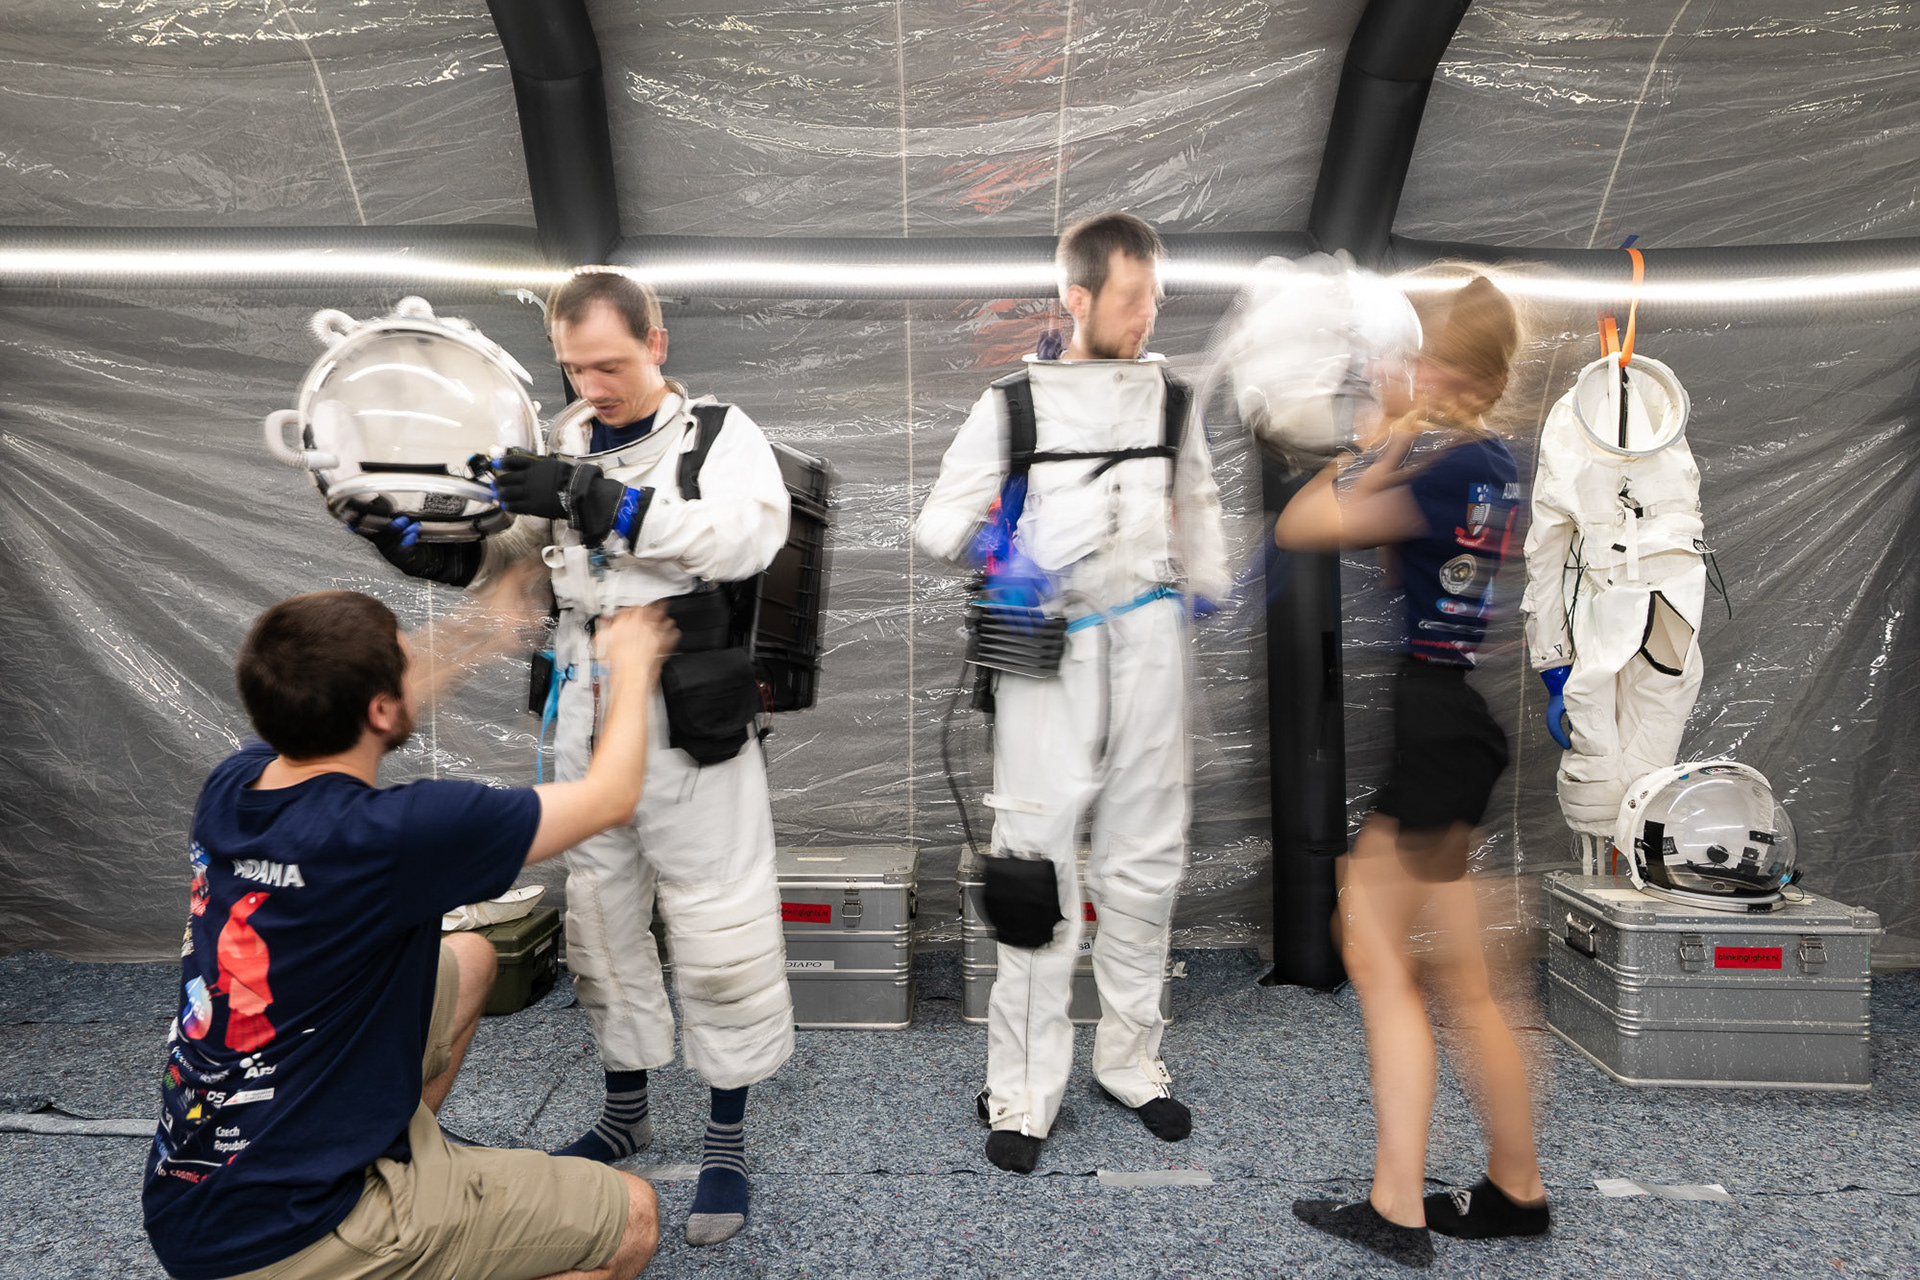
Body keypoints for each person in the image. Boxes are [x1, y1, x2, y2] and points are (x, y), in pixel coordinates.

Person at [361, 269, 794, 1247]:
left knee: (717, 918)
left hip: (687, 711)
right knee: (599, 915)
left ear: (656, 343)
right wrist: (419, 542)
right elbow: (508, 556)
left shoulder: (717, 436)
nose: (593, 384)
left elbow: (743, 539)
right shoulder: (558, 443)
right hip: (582, 703)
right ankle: (625, 1109)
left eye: (611, 363)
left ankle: (725, 1139)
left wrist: (603, 500)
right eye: (575, 367)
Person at [142, 590, 673, 1280]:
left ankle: (405, 1171)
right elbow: (612, 796)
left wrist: (484, 629)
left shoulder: (234, 787)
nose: (419, 663)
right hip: (293, 1232)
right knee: (632, 1216)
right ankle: (388, 1242)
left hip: (188, 1198)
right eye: (406, 659)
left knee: (471, 959)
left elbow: (357, 693)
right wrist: (633, 663)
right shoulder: (396, 834)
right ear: (381, 709)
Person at [914, 211, 1229, 1174]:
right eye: (1131, 298)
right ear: (1078, 298)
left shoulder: (1173, 401)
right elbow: (936, 525)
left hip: (1151, 641)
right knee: (1033, 870)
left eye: (1155, 298)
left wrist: (1206, 579)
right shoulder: (1014, 405)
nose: (1146, 315)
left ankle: (1131, 1062)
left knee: (1145, 860)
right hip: (1048, 648)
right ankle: (1022, 1089)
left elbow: (1201, 506)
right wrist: (1012, 549)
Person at [1274, 275, 1550, 1268]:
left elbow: (1304, 522)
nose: (1409, 367)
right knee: (1474, 984)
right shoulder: (1495, 463)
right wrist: (1406, 425)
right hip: (1458, 722)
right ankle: (1517, 1191)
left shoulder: (1442, 469)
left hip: (1436, 723)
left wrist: (1375, 437)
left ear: (1461, 374)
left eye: (1426, 356)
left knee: (1372, 945)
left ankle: (1397, 1207)